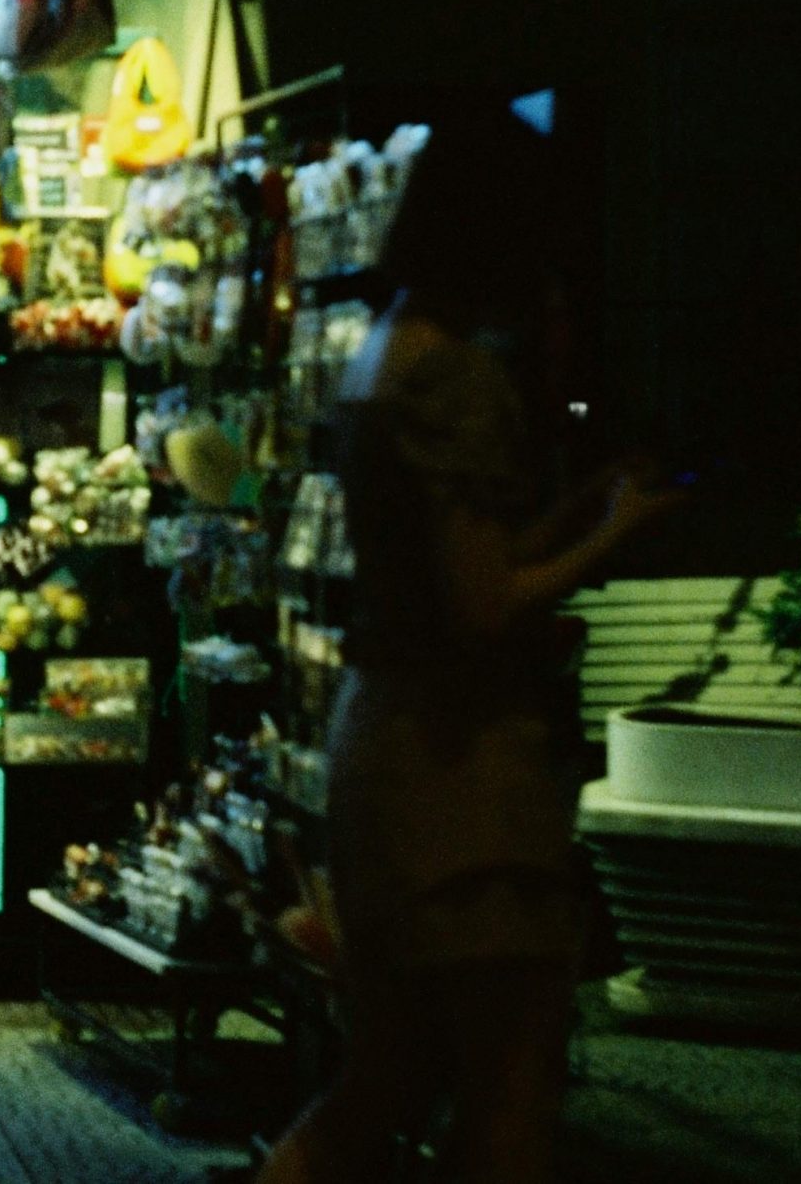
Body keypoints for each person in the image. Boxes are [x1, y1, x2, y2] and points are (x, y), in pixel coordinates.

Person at [260, 115, 682, 1184]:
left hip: (385, 743)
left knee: (389, 1073)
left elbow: (446, 563)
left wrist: (573, 511)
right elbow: (485, 605)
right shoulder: (454, 377)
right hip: (461, 777)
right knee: (506, 1083)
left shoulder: (377, 351)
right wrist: (615, 534)